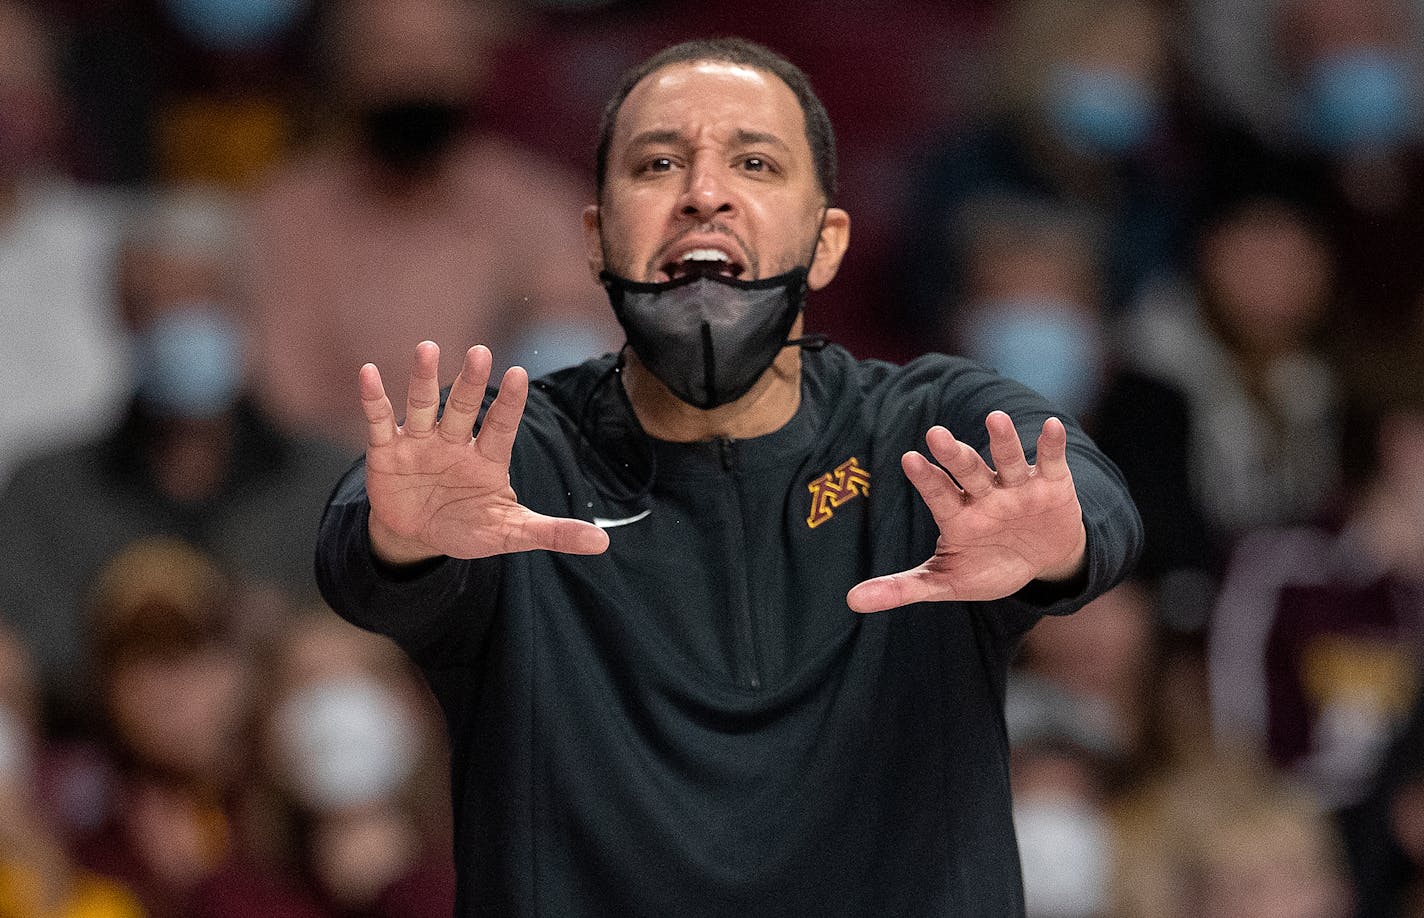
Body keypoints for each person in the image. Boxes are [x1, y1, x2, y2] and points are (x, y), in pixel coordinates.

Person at [316, 38, 1142, 916]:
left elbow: (1090, 502)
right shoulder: (514, 454)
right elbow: (360, 558)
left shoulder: (924, 428)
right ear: (597, 239)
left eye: (753, 161)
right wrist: (398, 540)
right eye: (660, 162)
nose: (703, 192)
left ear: (826, 245)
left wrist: (1061, 542)